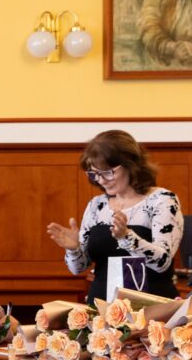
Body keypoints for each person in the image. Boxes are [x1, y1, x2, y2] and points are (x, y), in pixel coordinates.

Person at [47, 130, 184, 303]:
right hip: (101, 307)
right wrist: (74, 248)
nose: (100, 180)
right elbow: (78, 269)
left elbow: (162, 263)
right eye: (94, 174)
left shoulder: (162, 200)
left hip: (152, 306)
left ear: (131, 165)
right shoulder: (96, 205)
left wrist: (126, 237)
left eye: (107, 172)